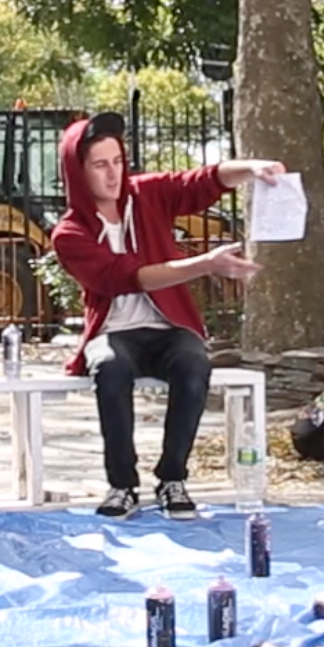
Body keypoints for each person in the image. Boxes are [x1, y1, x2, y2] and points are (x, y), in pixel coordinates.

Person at [50, 111, 284, 520]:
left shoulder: (145, 194)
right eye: (100, 165)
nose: (113, 174)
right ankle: (121, 485)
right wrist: (204, 264)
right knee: (108, 366)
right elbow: (124, 278)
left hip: (168, 328)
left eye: (118, 161)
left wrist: (251, 168)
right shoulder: (69, 233)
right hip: (115, 332)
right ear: (77, 171)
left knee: (194, 361)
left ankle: (172, 477)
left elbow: (200, 182)